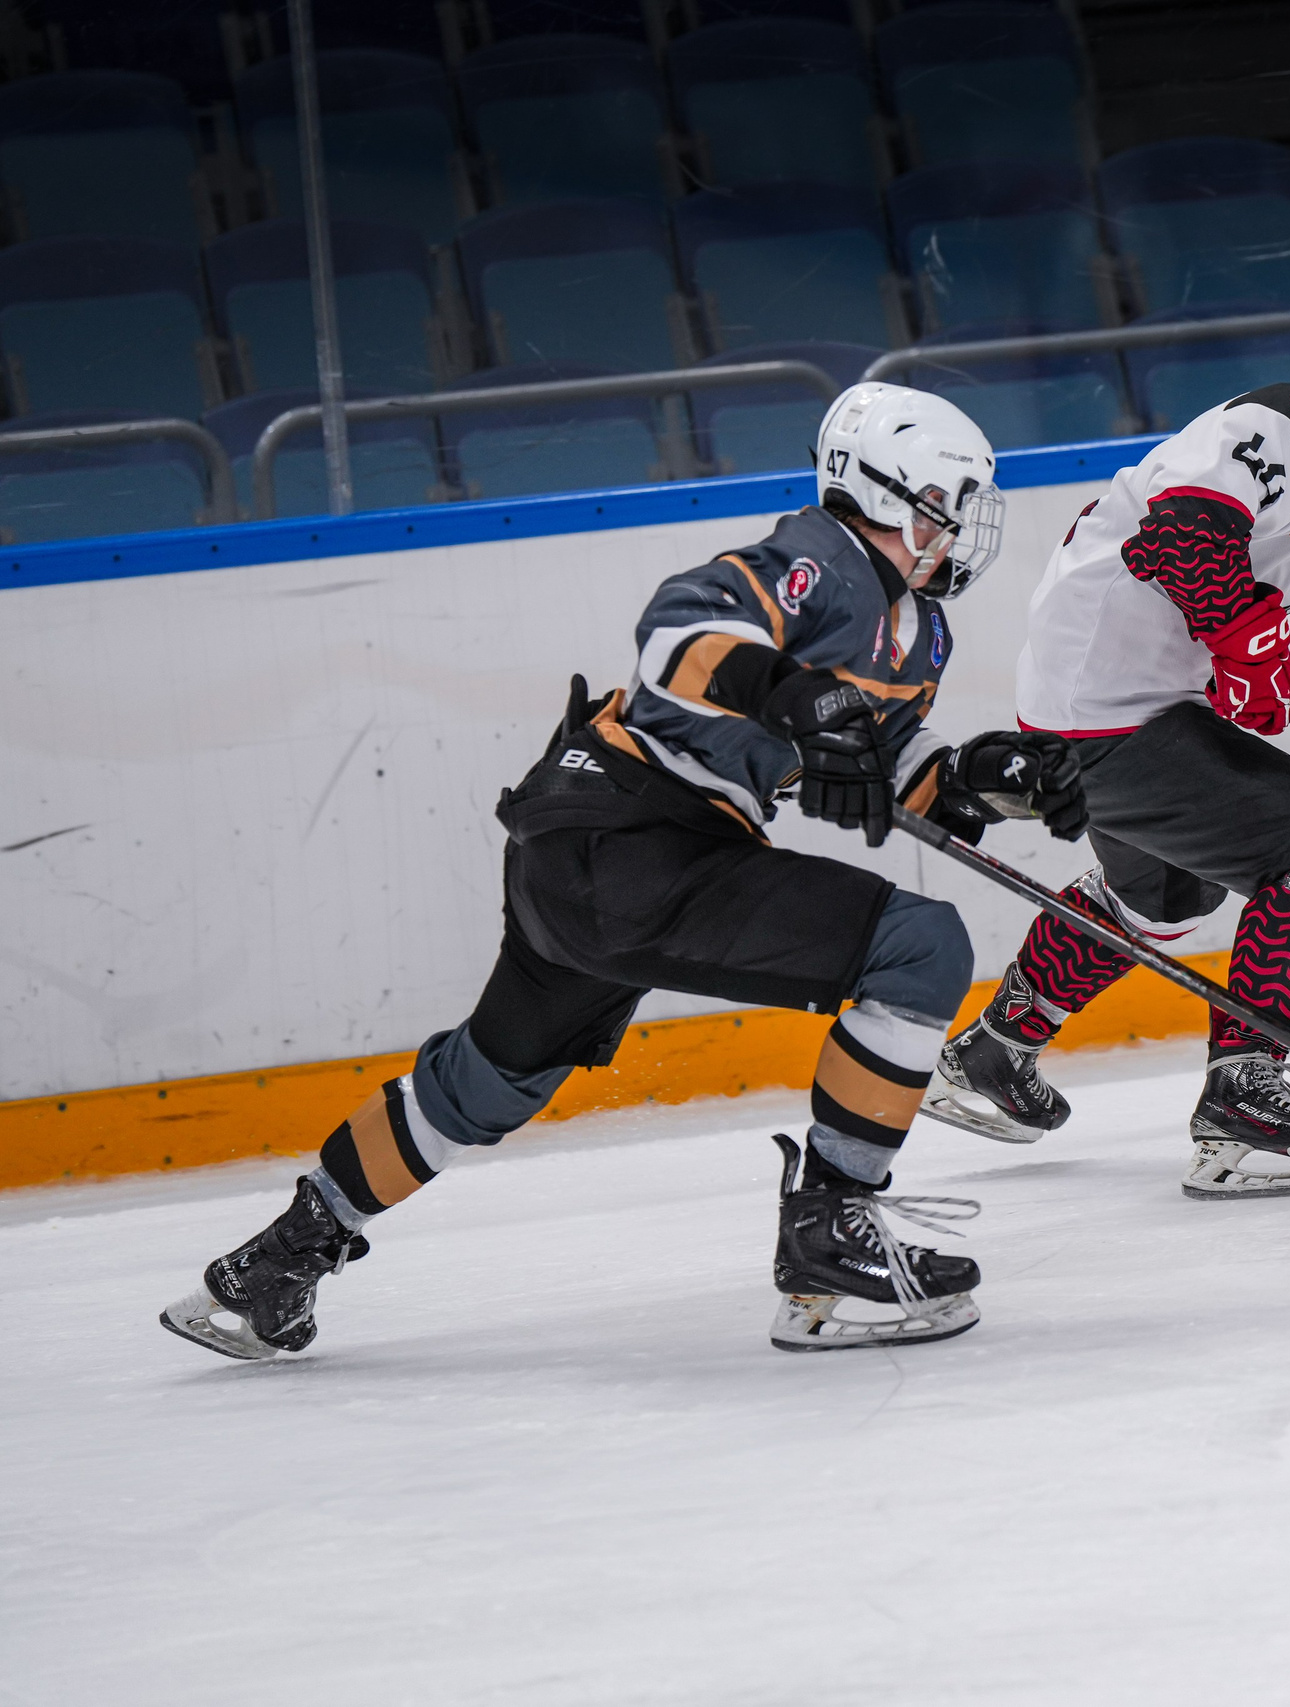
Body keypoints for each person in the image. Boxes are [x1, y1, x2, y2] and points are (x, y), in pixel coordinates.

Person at [160, 383, 1088, 1361]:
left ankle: (274, 1264)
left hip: (580, 847)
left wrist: (994, 775)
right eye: (945, 506)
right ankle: (830, 1241)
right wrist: (793, 697)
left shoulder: (917, 630)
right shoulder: (824, 558)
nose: (957, 532)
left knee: (489, 1080)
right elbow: (679, 632)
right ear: (885, 493)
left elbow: (888, 760)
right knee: (920, 945)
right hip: (638, 841)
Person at [927, 263, 1290, 1200]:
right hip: (1103, 699)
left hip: (1144, 707)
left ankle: (994, 1051)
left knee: (1168, 896)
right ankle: (1243, 1096)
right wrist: (1242, 630)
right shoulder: (1285, 428)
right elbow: (1179, 534)